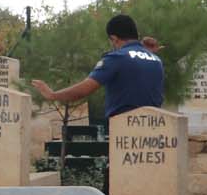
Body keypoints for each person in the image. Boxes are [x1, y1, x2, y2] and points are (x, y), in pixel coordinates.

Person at [31, 13, 165, 119]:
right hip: (155, 128)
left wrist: (53, 95)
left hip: (125, 129)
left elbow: (84, 90)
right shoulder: (156, 59)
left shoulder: (117, 57)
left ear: (114, 38)